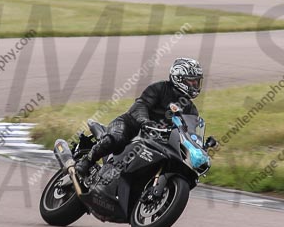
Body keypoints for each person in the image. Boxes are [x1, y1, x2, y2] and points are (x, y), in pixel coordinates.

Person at [75, 57, 212, 177]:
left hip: (157, 142)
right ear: (179, 78)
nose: (195, 85)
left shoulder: (191, 109)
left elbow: (189, 133)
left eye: (197, 82)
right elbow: (140, 105)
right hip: (131, 126)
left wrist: (200, 147)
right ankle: (87, 161)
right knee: (117, 138)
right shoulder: (159, 88)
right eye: (192, 81)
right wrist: (145, 121)